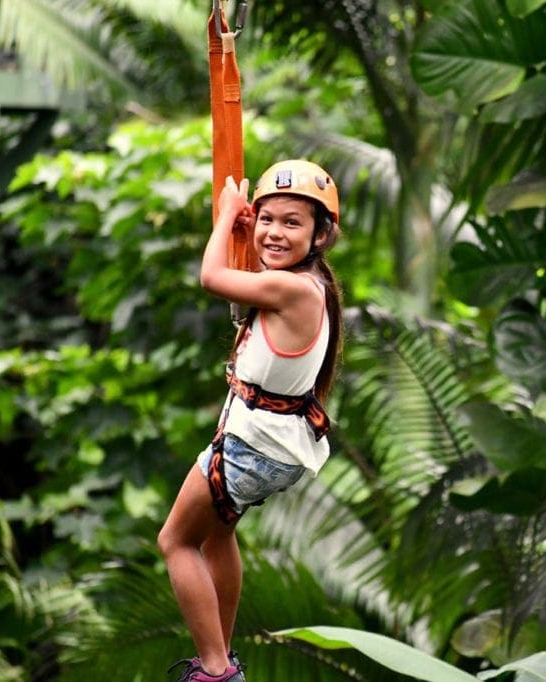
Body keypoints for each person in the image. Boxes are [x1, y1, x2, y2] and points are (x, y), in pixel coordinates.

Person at [158, 160, 343, 682]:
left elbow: (212, 276)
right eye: (267, 220)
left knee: (175, 542)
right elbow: (246, 277)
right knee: (218, 536)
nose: (275, 233)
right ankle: (223, 655)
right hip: (267, 443)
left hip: (253, 447)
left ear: (321, 234)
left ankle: (215, 671)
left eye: (292, 223)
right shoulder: (297, 282)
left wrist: (224, 217)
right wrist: (246, 228)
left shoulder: (298, 290)